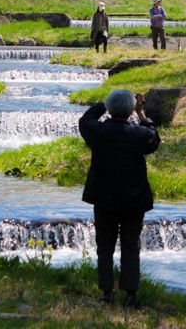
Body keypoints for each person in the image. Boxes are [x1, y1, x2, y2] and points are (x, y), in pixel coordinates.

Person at [79, 89, 160, 309]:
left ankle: (106, 293)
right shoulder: (139, 135)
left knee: (104, 246)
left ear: (111, 109)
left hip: (104, 198)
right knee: (131, 246)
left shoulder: (98, 131)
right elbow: (153, 138)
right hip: (133, 200)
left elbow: (85, 119)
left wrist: (104, 103)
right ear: (130, 110)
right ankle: (131, 296)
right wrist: (141, 113)